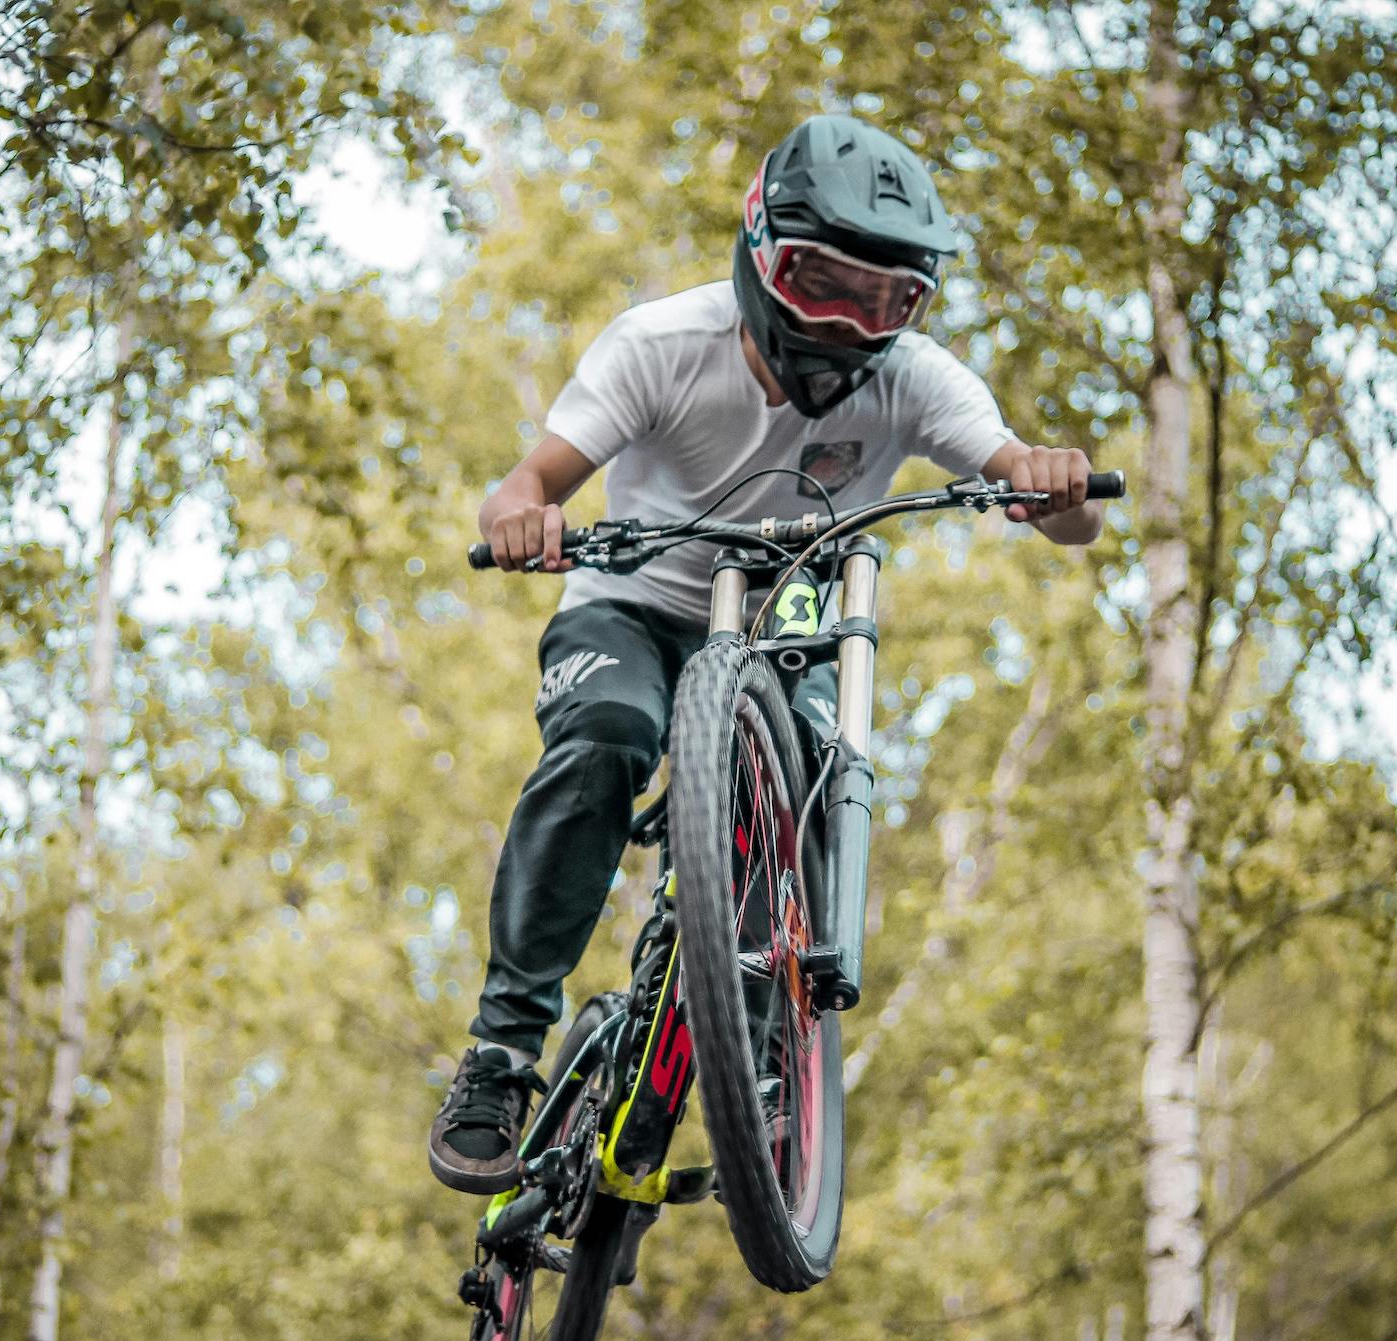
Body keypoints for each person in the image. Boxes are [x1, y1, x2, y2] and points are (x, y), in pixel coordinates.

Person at [428, 112, 1103, 1193]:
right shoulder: (663, 345)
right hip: (636, 603)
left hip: (788, 624)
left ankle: (772, 1051)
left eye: (887, 299)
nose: (850, 321)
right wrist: (521, 515)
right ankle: (503, 1052)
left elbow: (1046, 497)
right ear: (759, 250)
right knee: (605, 737)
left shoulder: (916, 379)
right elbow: (526, 483)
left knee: (823, 759)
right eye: (822, 282)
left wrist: (1052, 486)